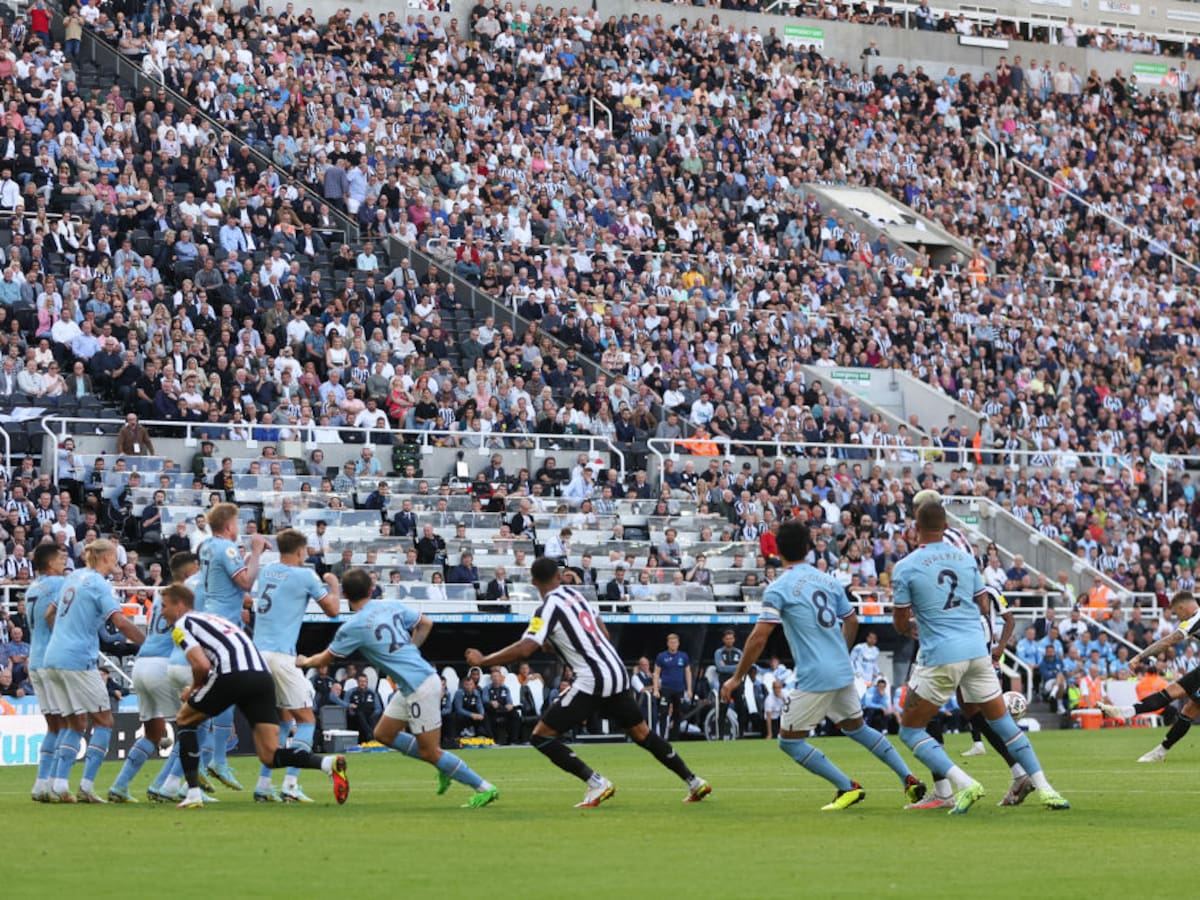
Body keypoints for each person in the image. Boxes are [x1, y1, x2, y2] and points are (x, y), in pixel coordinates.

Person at [465, 557, 711, 808]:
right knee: (642, 734)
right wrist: (562, 647)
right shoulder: (576, 596)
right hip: (616, 671)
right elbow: (602, 633)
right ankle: (694, 781)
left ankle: (596, 782)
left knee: (541, 736)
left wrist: (485, 660)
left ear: (533, 581)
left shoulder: (546, 608)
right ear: (559, 577)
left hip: (593, 679)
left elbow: (526, 647)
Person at [720, 521, 926, 811]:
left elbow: (758, 638)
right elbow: (851, 620)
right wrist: (840, 651)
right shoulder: (829, 581)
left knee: (789, 742)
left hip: (815, 675)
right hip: (842, 669)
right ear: (808, 548)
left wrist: (736, 677)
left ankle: (847, 786)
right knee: (857, 728)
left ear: (778, 551)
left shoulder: (778, 589)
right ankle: (908, 778)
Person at [891, 502, 1068, 813]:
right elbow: (984, 606)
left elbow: (901, 620)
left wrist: (913, 628)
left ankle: (961, 784)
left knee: (910, 729)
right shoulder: (966, 559)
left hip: (940, 654)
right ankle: (1047, 789)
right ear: (946, 526)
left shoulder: (906, 566)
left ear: (915, 528)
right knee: (1004, 725)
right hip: (977, 650)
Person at [297, 568, 498, 808]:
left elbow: (323, 660)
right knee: (383, 734)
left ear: (345, 594)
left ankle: (484, 787)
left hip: (419, 686)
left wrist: (304, 661)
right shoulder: (389, 605)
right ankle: (442, 763)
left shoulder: (354, 627)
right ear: (372, 590)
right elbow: (426, 623)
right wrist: (410, 651)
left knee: (431, 751)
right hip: (414, 682)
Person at [159, 584, 348, 810]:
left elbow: (201, 664)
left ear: (179, 606)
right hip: (261, 678)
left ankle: (192, 793)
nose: (161, 611)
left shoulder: (182, 625)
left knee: (184, 720)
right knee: (269, 754)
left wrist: (194, 689)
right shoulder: (216, 620)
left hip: (232, 673)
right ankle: (327, 763)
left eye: (164, 606)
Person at [41, 539, 146, 802]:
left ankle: (59, 784)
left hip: (54, 656)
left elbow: (49, 614)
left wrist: (66, 635)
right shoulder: (101, 584)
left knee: (74, 721)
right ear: (107, 557)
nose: (117, 561)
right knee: (104, 721)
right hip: (78, 659)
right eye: (114, 557)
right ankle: (86, 786)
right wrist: (149, 644)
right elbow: (120, 622)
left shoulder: (73, 576)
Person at [249, 528, 341, 802]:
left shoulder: (267, 571)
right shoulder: (305, 575)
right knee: (307, 720)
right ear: (301, 551)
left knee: (281, 719)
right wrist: (334, 584)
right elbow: (333, 610)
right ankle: (290, 783)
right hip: (280, 656)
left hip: (255, 655)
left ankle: (264, 785)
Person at [105, 554, 192, 802]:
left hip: (142, 663)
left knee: (153, 733)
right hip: (164, 664)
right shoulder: (185, 597)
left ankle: (120, 786)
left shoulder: (160, 597)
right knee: (189, 729)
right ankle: (164, 786)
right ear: (189, 573)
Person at [197, 502, 266, 790]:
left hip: (211, 617)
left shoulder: (206, 547)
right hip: (225, 624)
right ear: (228, 526)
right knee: (229, 687)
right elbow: (246, 582)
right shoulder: (226, 549)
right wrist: (257, 553)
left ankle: (205, 761)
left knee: (216, 689)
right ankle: (216, 759)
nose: (238, 528)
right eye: (236, 523)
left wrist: (248, 556)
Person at [1101, 590, 1200, 762]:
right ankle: (1127, 712)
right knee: (1175, 695)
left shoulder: (1193, 620)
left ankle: (1158, 750)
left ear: (1183, 608)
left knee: (1190, 707)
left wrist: (1140, 657)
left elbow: (1167, 641)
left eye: (1177, 614)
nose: (1179, 619)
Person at [26, 543, 68, 802]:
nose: (65, 563)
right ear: (51, 563)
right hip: (53, 659)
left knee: (53, 726)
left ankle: (41, 784)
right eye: (61, 559)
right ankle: (54, 783)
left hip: (35, 659)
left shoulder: (33, 586)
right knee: (67, 724)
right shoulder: (57, 584)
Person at [652, 633, 692, 741]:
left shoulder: (683, 656)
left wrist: (689, 689)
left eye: (675, 642)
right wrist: (656, 689)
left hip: (679, 689)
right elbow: (656, 673)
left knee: (677, 713)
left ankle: (675, 737)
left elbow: (688, 672)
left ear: (678, 643)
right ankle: (662, 737)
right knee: (663, 712)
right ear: (668, 644)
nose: (673, 644)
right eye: (671, 642)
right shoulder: (662, 656)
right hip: (666, 689)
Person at [484, 667, 521, 744]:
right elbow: (484, 699)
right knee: (486, 714)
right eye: (494, 677)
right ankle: (492, 739)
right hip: (492, 710)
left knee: (515, 714)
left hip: (503, 709)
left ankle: (514, 740)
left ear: (501, 678)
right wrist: (491, 702)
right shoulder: (487, 688)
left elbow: (509, 700)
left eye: (497, 676)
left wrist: (510, 705)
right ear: (491, 678)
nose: (496, 678)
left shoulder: (505, 688)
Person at [346, 674, 381, 743]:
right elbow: (346, 705)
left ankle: (369, 734)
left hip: (370, 715)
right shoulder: (351, 692)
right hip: (355, 716)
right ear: (357, 682)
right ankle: (371, 734)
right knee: (360, 714)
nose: (363, 683)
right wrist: (351, 711)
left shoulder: (372, 692)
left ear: (367, 682)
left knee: (372, 717)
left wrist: (373, 715)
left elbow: (378, 708)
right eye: (361, 681)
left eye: (364, 681)